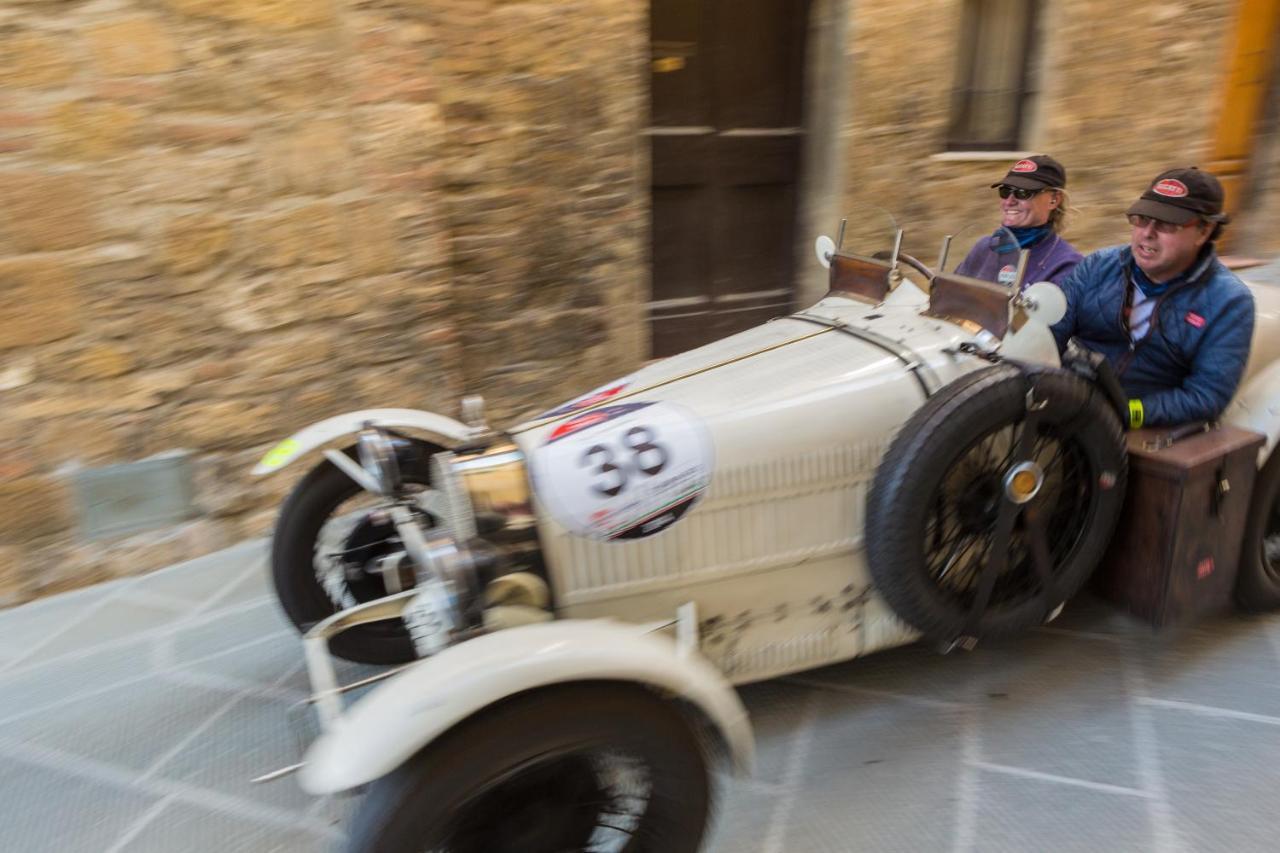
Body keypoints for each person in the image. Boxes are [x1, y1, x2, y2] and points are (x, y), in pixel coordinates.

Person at [1050, 166, 1255, 428]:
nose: (1147, 233)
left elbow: (1207, 395)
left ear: (1204, 231)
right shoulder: (1098, 265)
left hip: (1142, 429)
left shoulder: (1229, 301)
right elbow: (1048, 333)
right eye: (1142, 218)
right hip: (1066, 402)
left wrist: (1131, 412)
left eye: (1167, 223)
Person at [955, 154, 1083, 288]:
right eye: (1005, 191)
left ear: (1054, 200)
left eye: (1023, 193)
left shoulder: (1066, 264)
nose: (1009, 201)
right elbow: (949, 298)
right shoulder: (984, 248)